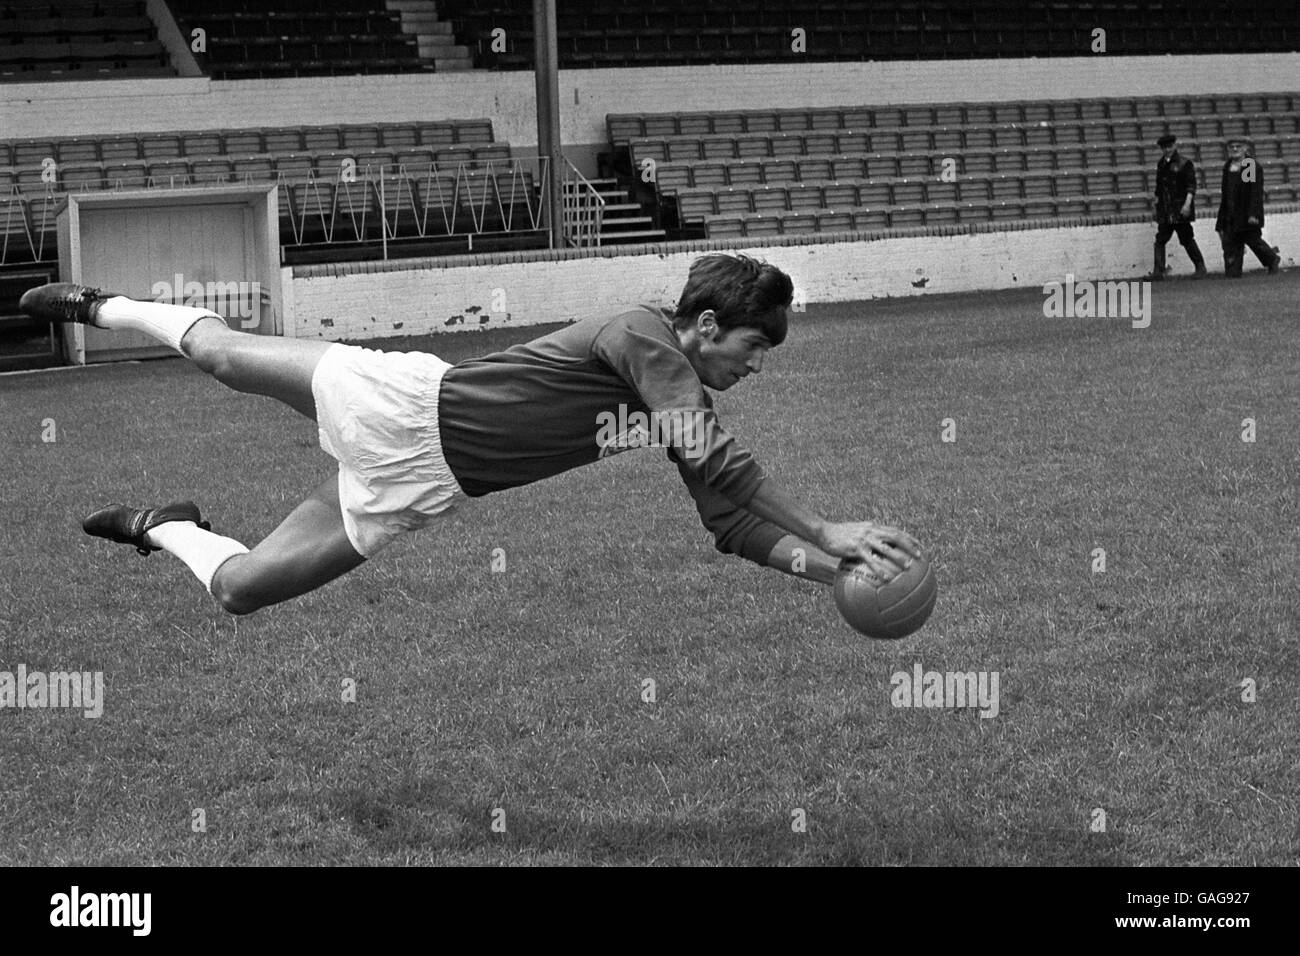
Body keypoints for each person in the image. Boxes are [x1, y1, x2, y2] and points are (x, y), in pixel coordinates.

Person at [21, 254, 921, 616]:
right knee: (221, 357)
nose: (758, 364)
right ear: (708, 323)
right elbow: (717, 458)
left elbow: (729, 525)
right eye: (755, 345)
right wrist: (828, 526)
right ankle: (106, 304)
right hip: (400, 404)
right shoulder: (641, 332)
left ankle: (164, 525)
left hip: (422, 488)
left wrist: (825, 570)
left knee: (241, 592)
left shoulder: (681, 399)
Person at [1215, 137, 1282, 278]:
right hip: (1230, 214)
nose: (1234, 149)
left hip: (1245, 213)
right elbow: (1226, 193)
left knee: (1254, 241)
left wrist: (1252, 214)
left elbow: (1253, 192)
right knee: (1231, 245)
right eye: (1231, 146)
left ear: (1245, 148)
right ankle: (1233, 272)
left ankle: (1271, 259)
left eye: (1238, 146)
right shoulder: (1228, 166)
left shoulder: (1248, 165)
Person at [1151, 134, 1206, 280]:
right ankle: (1158, 271)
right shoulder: (1161, 164)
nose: (1167, 150)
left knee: (1186, 238)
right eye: (1164, 147)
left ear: (1175, 146)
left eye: (1169, 146)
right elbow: (1159, 187)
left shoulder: (1185, 163)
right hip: (1166, 208)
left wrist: (1187, 204)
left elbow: (1191, 186)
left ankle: (1200, 266)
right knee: (1160, 239)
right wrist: (1156, 203)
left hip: (1179, 208)